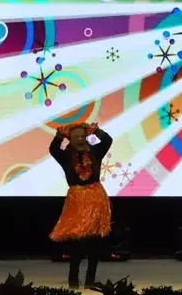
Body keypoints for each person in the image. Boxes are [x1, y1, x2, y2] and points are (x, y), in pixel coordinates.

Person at [48, 122, 113, 288]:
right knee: (77, 242)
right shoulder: (66, 156)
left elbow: (107, 140)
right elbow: (54, 150)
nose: (79, 139)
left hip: (96, 198)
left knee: (94, 242)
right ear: (70, 138)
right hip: (77, 199)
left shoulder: (95, 152)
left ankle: (90, 281)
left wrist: (96, 131)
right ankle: (73, 281)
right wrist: (59, 136)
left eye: (82, 136)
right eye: (75, 136)